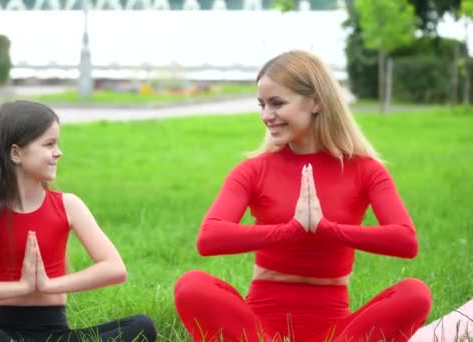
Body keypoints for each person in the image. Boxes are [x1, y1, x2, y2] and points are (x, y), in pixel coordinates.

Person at [173, 50, 433, 342]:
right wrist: (289, 231)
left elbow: (406, 241)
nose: (266, 116)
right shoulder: (253, 170)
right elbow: (209, 238)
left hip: (336, 334)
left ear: (316, 102)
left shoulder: (366, 170)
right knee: (191, 285)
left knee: (415, 294)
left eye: (277, 103)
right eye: (262, 105)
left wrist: (326, 229)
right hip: (260, 332)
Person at [0, 100, 157, 342]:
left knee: (142, 326)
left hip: (57, 335)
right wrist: (22, 286)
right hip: (1, 334)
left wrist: (48, 284)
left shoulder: (68, 205)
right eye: (49, 144)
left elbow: (115, 269)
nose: (58, 152)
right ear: (16, 153)